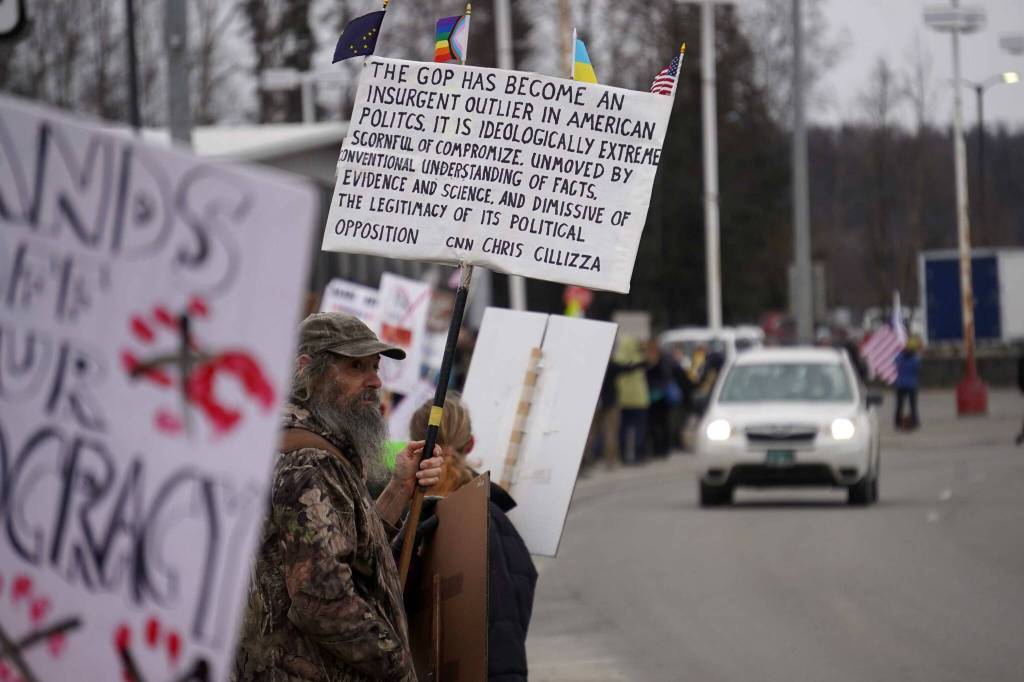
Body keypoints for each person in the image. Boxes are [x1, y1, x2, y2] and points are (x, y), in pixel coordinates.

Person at [232, 312, 444, 682]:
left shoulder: (315, 448)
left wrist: (398, 488)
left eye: (374, 366)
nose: (374, 380)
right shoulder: (308, 463)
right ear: (307, 369)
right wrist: (398, 665)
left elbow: (344, 549)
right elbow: (321, 601)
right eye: (355, 366)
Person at [408, 394, 538, 682]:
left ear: (414, 445)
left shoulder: (391, 518)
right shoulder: (486, 520)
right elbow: (503, 625)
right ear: (471, 444)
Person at [615, 337, 650, 464]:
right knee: (638, 429)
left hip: (623, 399)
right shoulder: (639, 358)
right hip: (638, 400)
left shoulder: (618, 358)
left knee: (623, 429)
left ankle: (625, 455)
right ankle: (636, 454)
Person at [894, 337, 922, 430]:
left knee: (899, 405)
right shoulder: (915, 359)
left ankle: (897, 422)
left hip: (900, 384)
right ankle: (914, 421)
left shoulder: (900, 357)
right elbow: (917, 368)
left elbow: (896, 363)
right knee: (913, 405)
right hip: (911, 385)